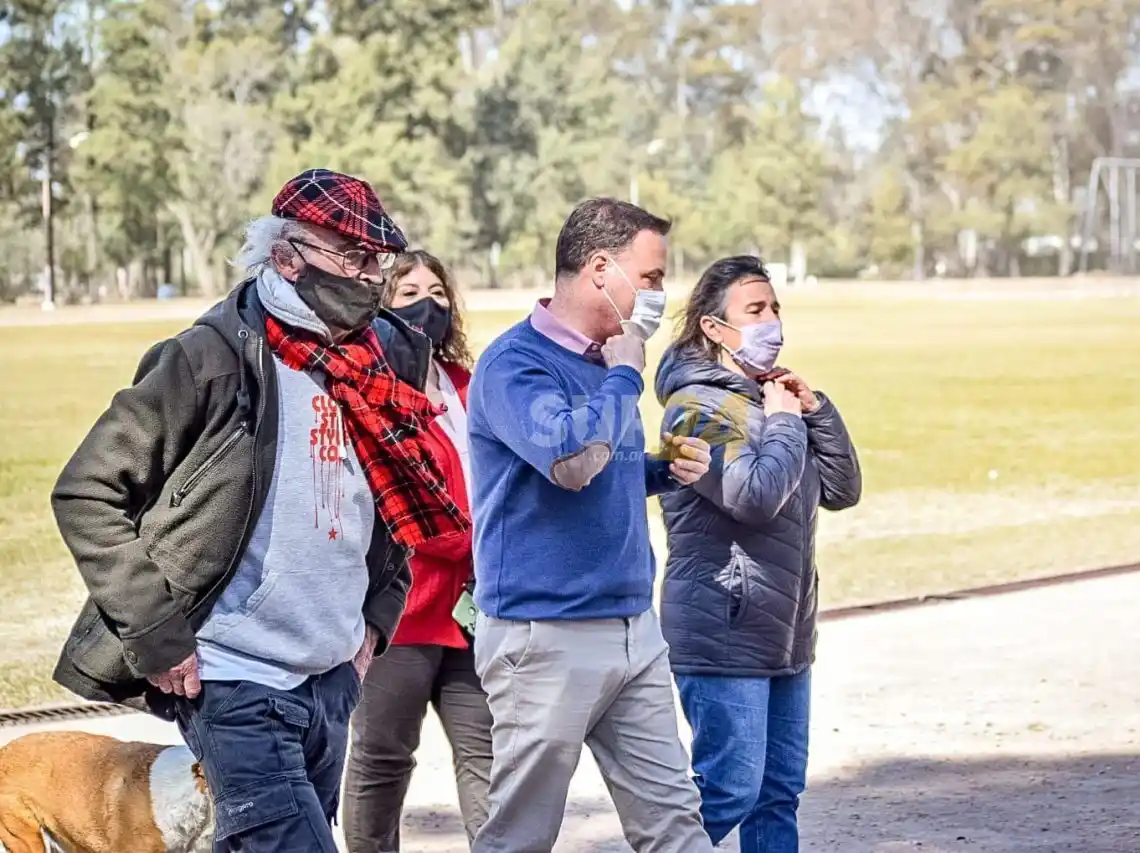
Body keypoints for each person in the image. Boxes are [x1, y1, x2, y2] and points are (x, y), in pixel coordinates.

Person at [49, 168, 469, 852]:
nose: (370, 277)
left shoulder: (380, 357)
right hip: (235, 677)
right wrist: (157, 631)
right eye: (353, 258)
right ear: (285, 256)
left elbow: (398, 500)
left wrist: (374, 622)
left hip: (332, 676)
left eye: (377, 262)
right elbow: (87, 491)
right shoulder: (210, 356)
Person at [466, 197, 715, 853]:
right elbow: (572, 462)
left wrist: (662, 471)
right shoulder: (515, 364)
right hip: (543, 636)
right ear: (600, 268)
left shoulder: (605, 360)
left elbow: (606, 467)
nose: (661, 294)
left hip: (632, 627)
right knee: (520, 837)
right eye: (654, 276)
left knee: (676, 824)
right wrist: (625, 378)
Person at [653, 255, 862, 852]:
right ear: (715, 329)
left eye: (775, 309)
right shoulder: (694, 408)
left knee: (777, 795)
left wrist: (813, 410)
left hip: (788, 633)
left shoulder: (768, 402)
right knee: (727, 793)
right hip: (724, 630)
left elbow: (843, 491)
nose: (773, 322)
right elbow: (752, 497)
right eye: (756, 310)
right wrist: (785, 424)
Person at [342, 250, 493, 850]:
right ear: (379, 305)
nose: (426, 305)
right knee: (382, 758)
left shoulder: (468, 385)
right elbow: (392, 500)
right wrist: (472, 539)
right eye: (407, 294)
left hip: (473, 611)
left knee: (490, 759)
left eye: (436, 291)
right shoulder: (371, 392)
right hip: (401, 614)